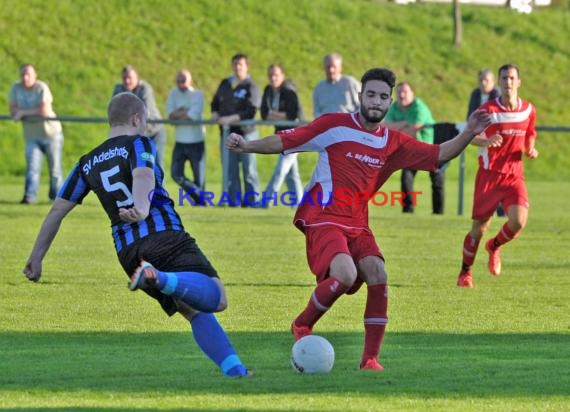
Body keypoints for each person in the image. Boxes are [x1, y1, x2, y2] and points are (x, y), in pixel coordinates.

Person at [226, 68, 491, 370]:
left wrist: (469, 132)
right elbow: (287, 141)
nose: (376, 102)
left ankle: (370, 360)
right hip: (323, 214)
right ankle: (302, 324)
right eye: (371, 95)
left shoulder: (393, 142)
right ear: (360, 96)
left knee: (378, 273)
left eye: (382, 97)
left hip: (357, 221)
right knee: (347, 274)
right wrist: (247, 146)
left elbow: (439, 154)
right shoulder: (333, 125)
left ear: (389, 102)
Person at [22, 93, 251, 378]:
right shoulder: (139, 142)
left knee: (193, 309)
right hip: (164, 234)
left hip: (129, 254)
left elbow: (57, 211)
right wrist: (142, 208)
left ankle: (236, 372)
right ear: (135, 119)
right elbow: (143, 175)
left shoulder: (87, 162)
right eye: (144, 121)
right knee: (217, 297)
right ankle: (159, 276)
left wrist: (36, 258)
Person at [457, 64, 539, 288]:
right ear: (500, 82)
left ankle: (494, 246)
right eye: (504, 78)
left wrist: (530, 148)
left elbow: (530, 134)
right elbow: (467, 135)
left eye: (512, 78)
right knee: (479, 229)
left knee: (518, 221)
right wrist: (485, 141)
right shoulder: (487, 111)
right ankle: (465, 271)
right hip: (489, 175)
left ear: (519, 82)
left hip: (514, 175)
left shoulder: (528, 110)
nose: (508, 82)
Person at [383, 82, 444, 214]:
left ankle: (438, 213)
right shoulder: (394, 107)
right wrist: (404, 124)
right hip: (412, 150)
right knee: (406, 179)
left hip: (431, 147)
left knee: (437, 181)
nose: (402, 95)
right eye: (399, 92)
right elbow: (384, 126)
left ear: (412, 94)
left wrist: (397, 127)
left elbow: (412, 130)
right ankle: (408, 210)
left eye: (405, 92)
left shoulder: (419, 107)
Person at [9, 64, 64, 204]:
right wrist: (19, 112)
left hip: (51, 134)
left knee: (55, 170)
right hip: (32, 136)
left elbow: (44, 111)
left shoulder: (41, 87)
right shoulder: (16, 88)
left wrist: (23, 112)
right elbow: (12, 109)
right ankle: (30, 197)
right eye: (23, 74)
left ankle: (56, 198)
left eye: (28, 74)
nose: (25, 77)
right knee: (32, 168)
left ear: (35, 76)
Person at [211, 53, 261, 206]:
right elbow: (215, 102)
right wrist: (215, 114)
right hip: (227, 134)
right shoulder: (226, 83)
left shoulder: (251, 86)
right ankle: (234, 203)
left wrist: (230, 118)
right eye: (235, 64)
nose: (237, 67)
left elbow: (251, 110)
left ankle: (253, 202)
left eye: (240, 64)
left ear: (247, 67)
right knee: (230, 171)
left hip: (246, 134)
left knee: (249, 171)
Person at [260, 63, 304, 204]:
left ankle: (265, 202)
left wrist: (273, 114)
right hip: (280, 134)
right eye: (270, 75)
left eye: (276, 75)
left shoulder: (289, 91)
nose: (273, 78)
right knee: (292, 174)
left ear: (282, 76)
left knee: (281, 170)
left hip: (294, 135)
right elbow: (264, 114)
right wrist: (279, 115)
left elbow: (292, 115)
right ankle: (299, 203)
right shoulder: (268, 90)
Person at [466, 68, 505, 217]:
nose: (483, 83)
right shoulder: (475, 94)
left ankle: (501, 211)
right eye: (481, 80)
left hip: (496, 138)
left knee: (499, 177)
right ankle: (486, 210)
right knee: (486, 174)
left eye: (487, 80)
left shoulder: (497, 96)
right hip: (481, 138)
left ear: (493, 82)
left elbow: (497, 120)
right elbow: (470, 116)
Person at [112, 65, 167, 168]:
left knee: (157, 165)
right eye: (124, 78)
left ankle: (158, 185)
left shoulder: (144, 88)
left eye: (130, 78)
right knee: (139, 164)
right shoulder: (118, 89)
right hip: (135, 133)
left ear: (137, 78)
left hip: (154, 132)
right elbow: (114, 110)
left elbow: (145, 112)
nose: (127, 81)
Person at [166, 69, 206, 205]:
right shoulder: (172, 93)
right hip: (180, 141)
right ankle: (202, 197)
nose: (180, 84)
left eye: (183, 81)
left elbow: (193, 116)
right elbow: (170, 116)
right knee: (175, 173)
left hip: (196, 141)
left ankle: (201, 204)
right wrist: (184, 113)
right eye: (178, 81)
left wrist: (180, 114)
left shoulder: (197, 95)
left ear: (190, 81)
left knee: (199, 178)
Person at [313, 52, 360, 118]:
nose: (331, 70)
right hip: (327, 126)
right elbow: (316, 112)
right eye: (328, 67)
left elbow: (362, 106)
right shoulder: (319, 88)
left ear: (340, 67)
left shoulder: (350, 83)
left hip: (347, 124)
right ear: (324, 68)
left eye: (334, 66)